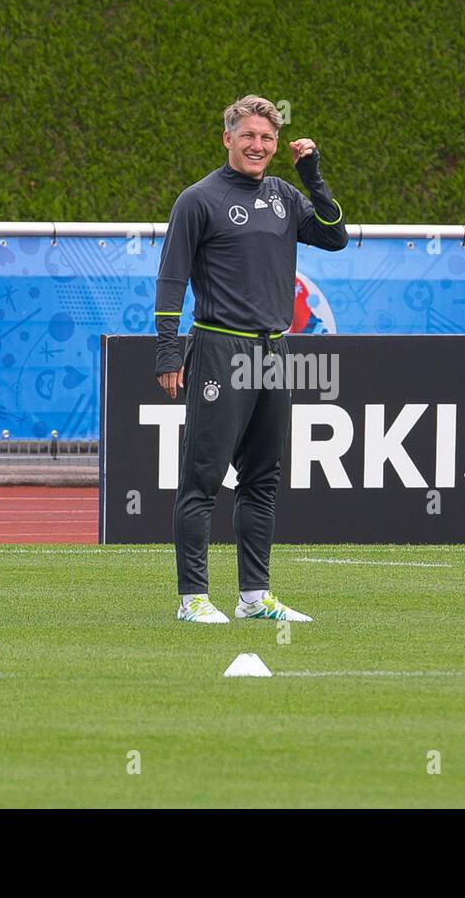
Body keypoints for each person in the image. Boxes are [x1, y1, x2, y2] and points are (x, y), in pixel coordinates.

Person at [154, 95, 348, 624]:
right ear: (227, 139)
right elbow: (171, 279)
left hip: (275, 350)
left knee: (262, 479)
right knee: (203, 477)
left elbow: (335, 236)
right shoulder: (198, 200)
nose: (258, 146)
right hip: (220, 346)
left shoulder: (286, 195)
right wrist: (169, 349)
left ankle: (254, 597)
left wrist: (312, 175)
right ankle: (193, 597)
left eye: (267, 138)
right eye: (248, 136)